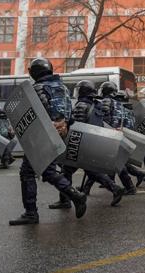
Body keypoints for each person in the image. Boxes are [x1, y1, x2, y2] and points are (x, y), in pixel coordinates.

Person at [9, 58, 87, 226]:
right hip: (59, 135)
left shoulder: (37, 89)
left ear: (35, 72)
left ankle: (32, 213)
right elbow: (69, 115)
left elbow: (35, 115)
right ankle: (74, 196)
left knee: (29, 172)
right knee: (48, 171)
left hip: (42, 136)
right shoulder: (63, 88)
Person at [48, 80, 125, 209]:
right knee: (90, 171)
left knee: (67, 171)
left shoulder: (81, 105)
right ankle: (114, 188)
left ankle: (65, 200)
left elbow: (75, 126)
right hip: (92, 143)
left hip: (79, 144)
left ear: (82, 91)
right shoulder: (97, 104)